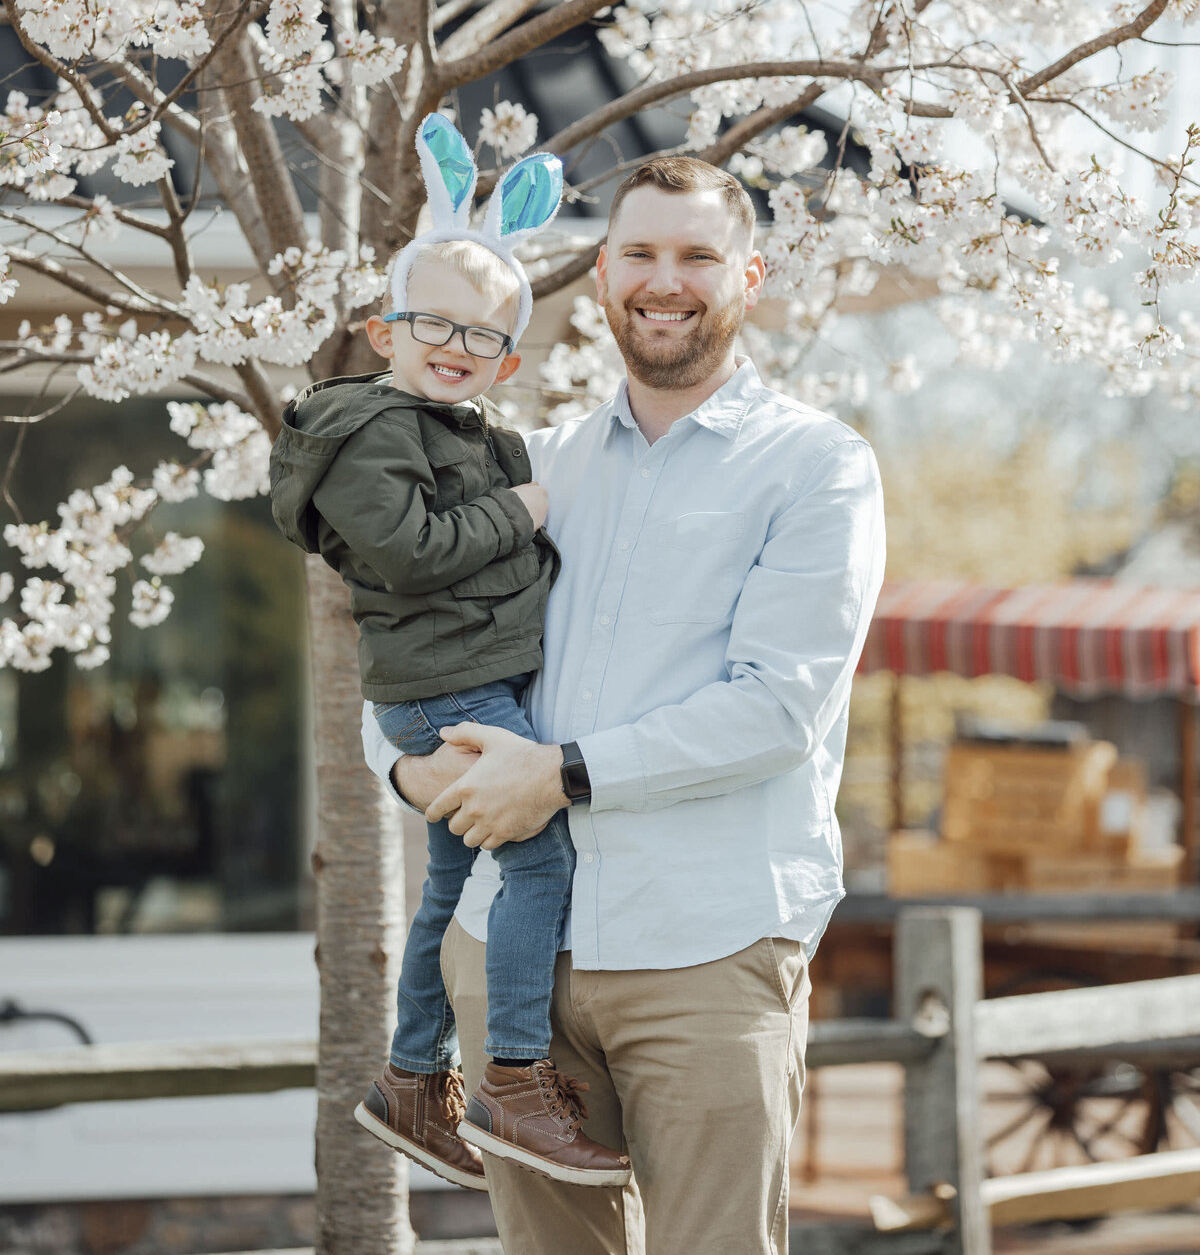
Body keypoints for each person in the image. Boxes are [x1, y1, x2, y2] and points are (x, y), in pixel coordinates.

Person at [362, 153, 887, 1255]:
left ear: (750, 275)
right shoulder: (533, 467)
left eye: (697, 256)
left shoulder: (815, 468)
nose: (666, 280)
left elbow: (777, 708)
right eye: (640, 253)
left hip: (706, 948)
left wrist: (554, 773)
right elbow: (411, 654)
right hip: (508, 959)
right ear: (601, 274)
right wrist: (412, 769)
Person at [270, 113, 632, 1193]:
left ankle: (409, 1082)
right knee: (538, 859)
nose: (456, 347)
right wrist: (522, 512)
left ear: (508, 356)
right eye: (435, 323)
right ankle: (514, 1082)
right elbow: (414, 553)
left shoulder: (471, 431)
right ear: (386, 328)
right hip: (450, 688)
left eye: (483, 335)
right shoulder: (372, 428)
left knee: (447, 884)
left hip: (466, 680)